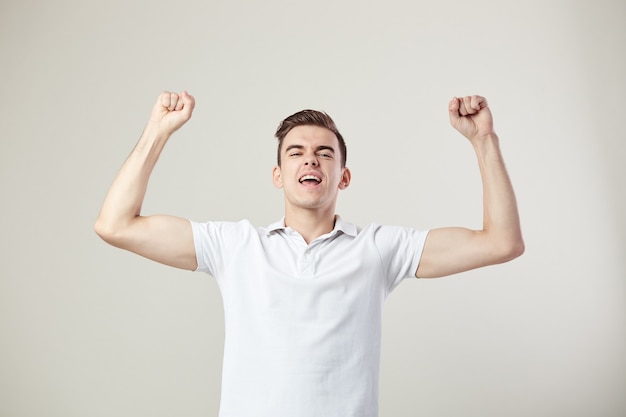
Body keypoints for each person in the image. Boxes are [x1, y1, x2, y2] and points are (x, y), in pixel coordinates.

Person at [94, 91, 524, 417]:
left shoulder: (379, 249)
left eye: (324, 153)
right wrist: (157, 131)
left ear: (344, 175)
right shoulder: (235, 246)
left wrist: (484, 141)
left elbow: (501, 242)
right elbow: (115, 225)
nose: (310, 161)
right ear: (279, 175)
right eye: (296, 152)